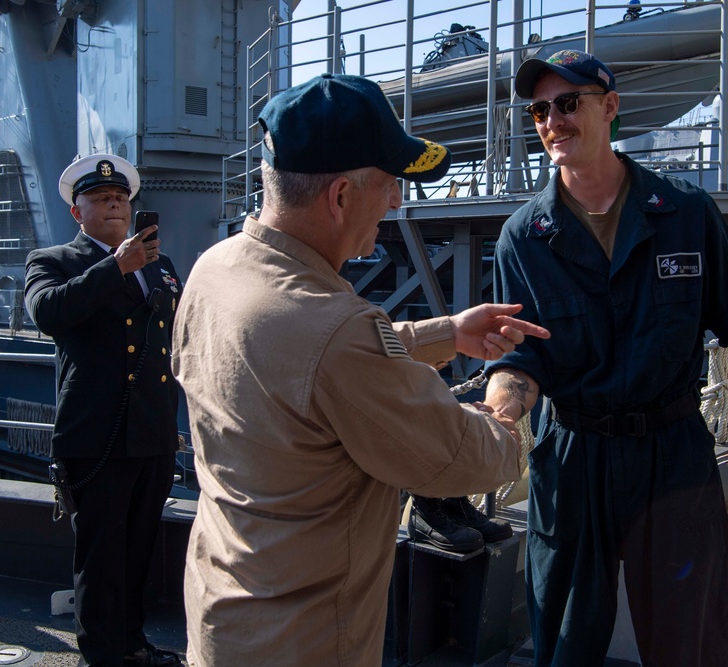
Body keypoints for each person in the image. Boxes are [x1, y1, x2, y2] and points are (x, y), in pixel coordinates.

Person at [173, 72, 550, 667]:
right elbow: (459, 458)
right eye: (389, 184)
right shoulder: (337, 331)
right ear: (341, 196)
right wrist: (507, 411)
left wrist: (445, 333)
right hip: (308, 642)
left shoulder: (214, 271)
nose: (397, 200)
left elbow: (302, 361)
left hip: (225, 613)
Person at [482, 50, 728, 667]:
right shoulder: (523, 236)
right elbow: (520, 363)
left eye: (569, 103)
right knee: (563, 645)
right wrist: (494, 421)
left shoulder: (686, 213)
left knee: (691, 644)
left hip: (671, 454)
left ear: (611, 107)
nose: (552, 120)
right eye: (540, 109)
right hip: (572, 460)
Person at [25, 153, 183, 667]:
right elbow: (48, 312)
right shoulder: (52, 261)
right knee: (101, 557)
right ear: (78, 212)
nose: (113, 205)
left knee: (138, 552)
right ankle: (102, 654)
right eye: (99, 199)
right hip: (95, 435)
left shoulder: (160, 265)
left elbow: (177, 333)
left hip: (152, 434)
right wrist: (115, 268)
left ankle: (133, 644)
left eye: (119, 198)